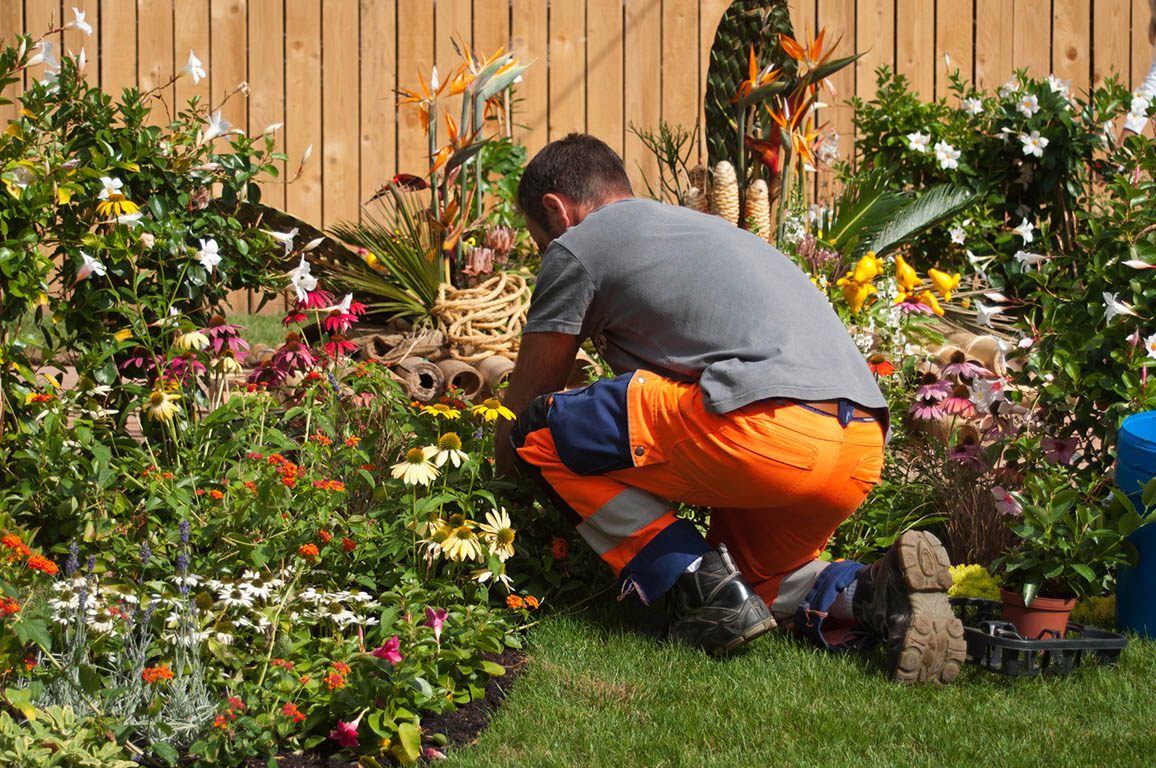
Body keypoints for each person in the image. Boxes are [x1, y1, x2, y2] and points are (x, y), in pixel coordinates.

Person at [494, 133, 965, 683]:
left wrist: (501, 497)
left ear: (556, 209)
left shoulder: (578, 243)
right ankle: (876, 594)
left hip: (765, 431)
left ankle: (699, 586)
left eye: (538, 238)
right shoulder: (704, 234)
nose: (542, 251)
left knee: (537, 431)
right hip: (860, 443)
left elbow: (530, 396)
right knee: (762, 582)